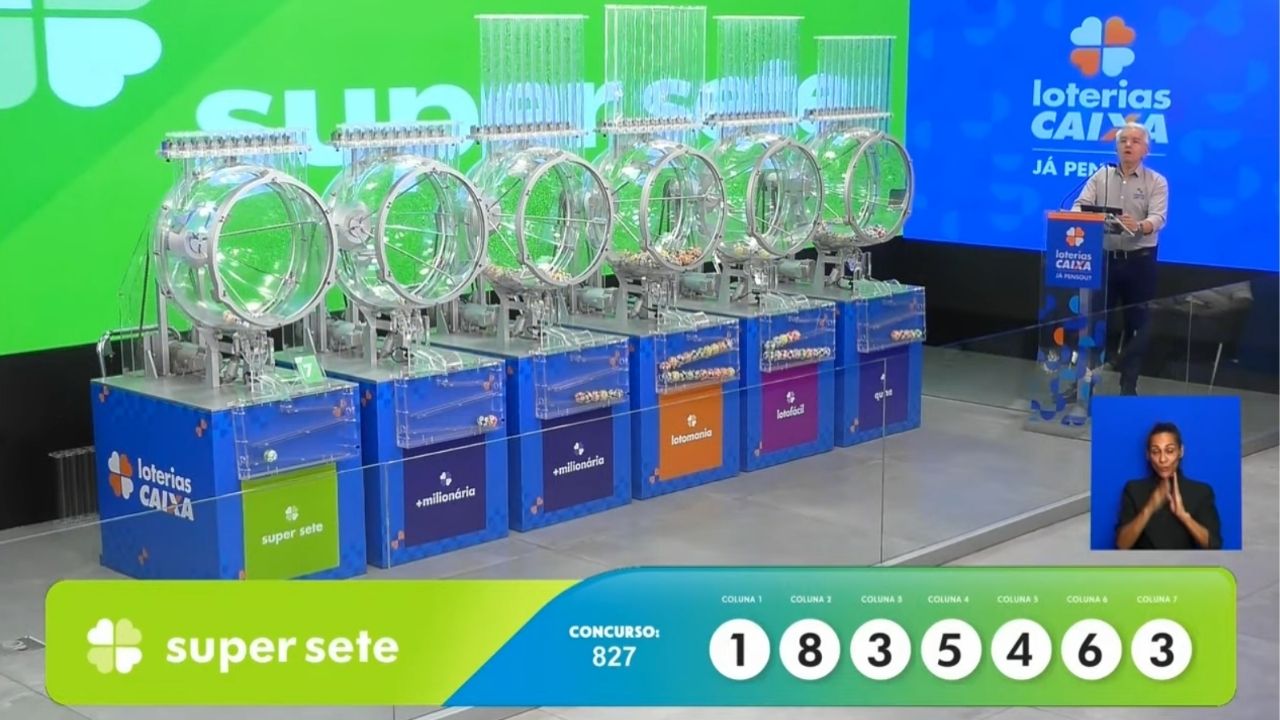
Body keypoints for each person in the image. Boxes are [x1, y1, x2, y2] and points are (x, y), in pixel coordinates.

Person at [1073, 122, 1169, 395]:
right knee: (1093, 324)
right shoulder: (1100, 176)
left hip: (1140, 261)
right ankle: (1084, 385)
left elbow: (1158, 218)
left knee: (1136, 325)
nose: (1128, 145)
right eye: (1123, 140)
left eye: (1135, 141)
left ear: (1145, 149)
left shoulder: (1157, 181)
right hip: (1105, 260)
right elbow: (1079, 206)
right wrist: (1088, 217)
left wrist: (1138, 226)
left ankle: (1128, 385)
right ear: (1116, 147)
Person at [1115, 422, 1222, 550]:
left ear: (1181, 451)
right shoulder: (1133, 489)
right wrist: (1150, 507)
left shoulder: (1201, 492)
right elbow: (1121, 545)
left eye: (1169, 451)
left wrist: (1183, 516)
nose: (1162, 459)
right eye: (1155, 451)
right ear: (1148, 455)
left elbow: (1214, 546)